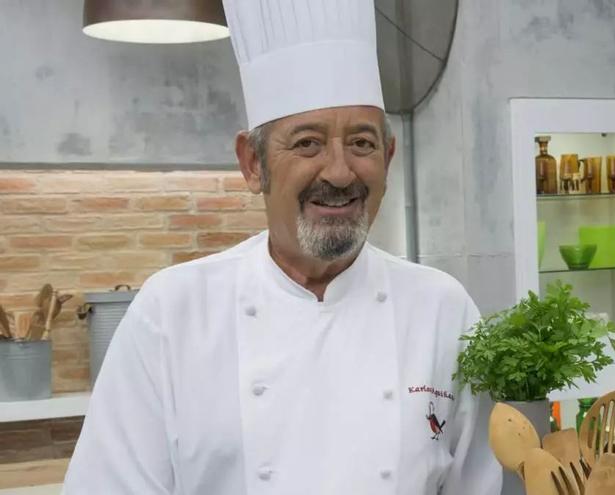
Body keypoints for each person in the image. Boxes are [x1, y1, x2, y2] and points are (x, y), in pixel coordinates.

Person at [63, 0, 502, 493]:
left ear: (389, 156)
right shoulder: (171, 314)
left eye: (361, 144)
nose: (339, 172)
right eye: (308, 143)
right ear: (252, 163)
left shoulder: (444, 310)